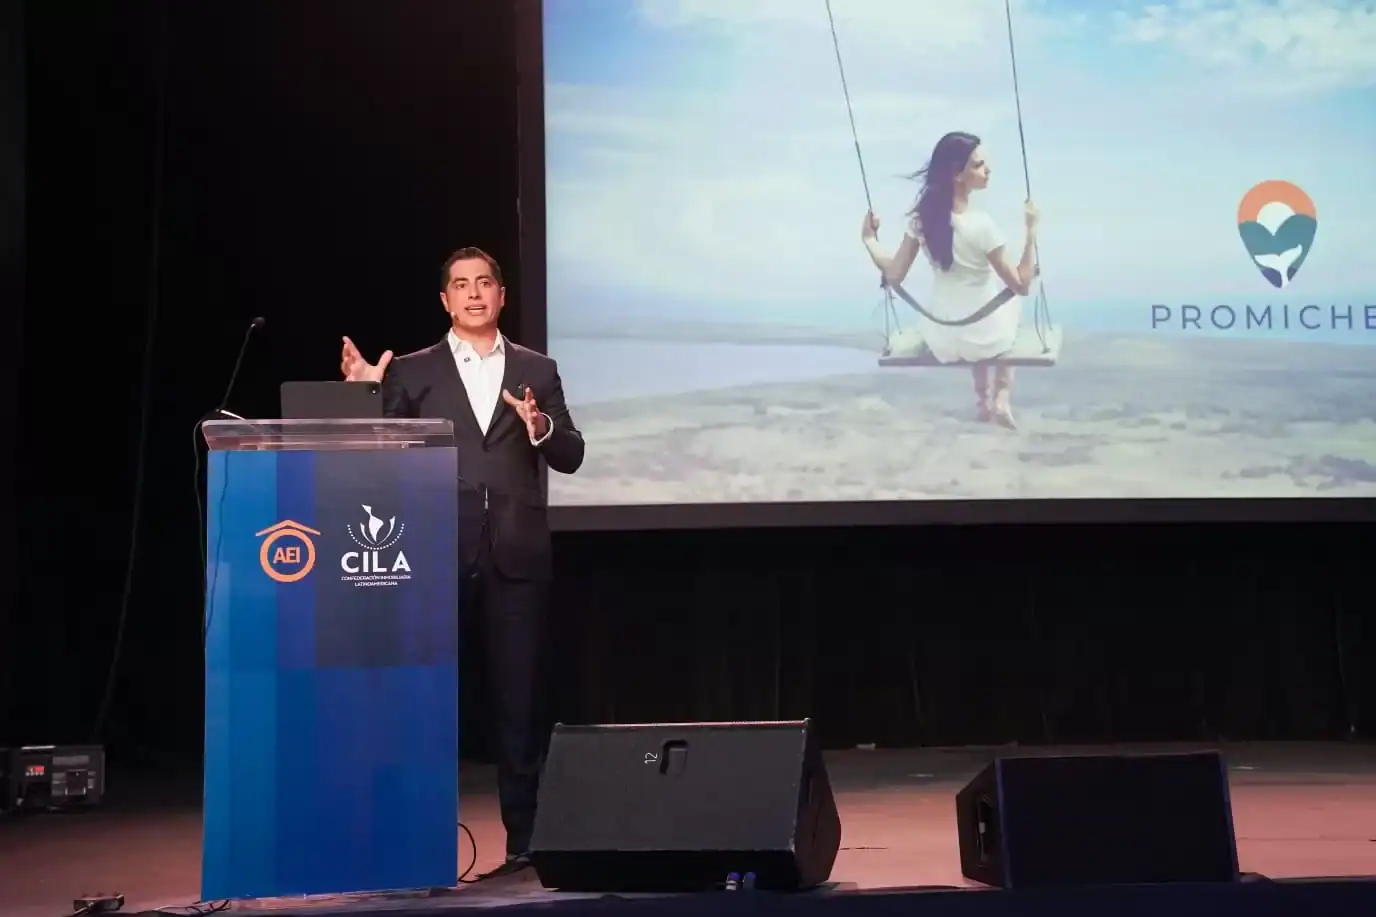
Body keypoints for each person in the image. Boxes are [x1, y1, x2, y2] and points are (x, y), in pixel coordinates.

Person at [340, 246, 584, 878]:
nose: (474, 293)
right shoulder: (412, 370)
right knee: (425, 701)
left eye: (484, 283)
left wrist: (539, 427)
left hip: (517, 556)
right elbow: (373, 454)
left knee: (519, 707)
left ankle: (525, 845)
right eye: (461, 285)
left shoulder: (537, 369)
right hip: (432, 555)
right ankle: (414, 843)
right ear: (445, 300)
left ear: (501, 295)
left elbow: (571, 454)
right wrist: (367, 395)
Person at [861, 131, 1039, 428]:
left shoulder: (922, 221)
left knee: (974, 315)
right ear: (957, 174)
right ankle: (1001, 397)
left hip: (942, 338)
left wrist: (869, 240)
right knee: (1009, 310)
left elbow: (894, 274)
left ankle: (982, 401)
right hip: (985, 335)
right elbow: (1021, 285)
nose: (988, 170)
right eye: (979, 165)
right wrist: (1031, 231)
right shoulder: (982, 225)